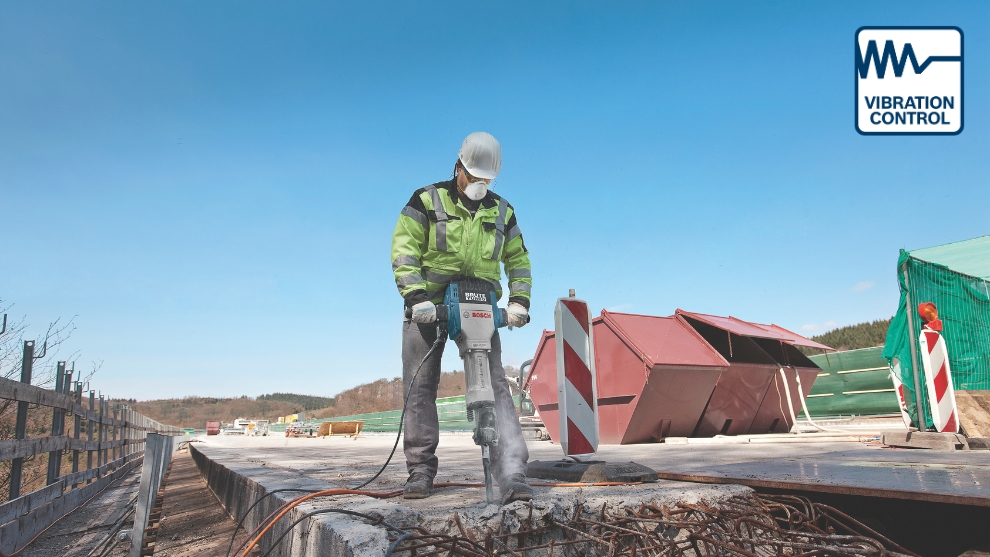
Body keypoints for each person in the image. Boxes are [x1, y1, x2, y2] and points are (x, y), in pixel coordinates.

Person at [391, 132, 534, 503]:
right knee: (420, 386)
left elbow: (518, 260)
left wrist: (519, 302)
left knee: (497, 386)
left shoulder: (502, 211)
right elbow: (404, 251)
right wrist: (417, 298)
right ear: (459, 169)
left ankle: (512, 470)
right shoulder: (425, 200)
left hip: (480, 305)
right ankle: (420, 471)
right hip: (430, 306)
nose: (479, 186)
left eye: (487, 181)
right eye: (474, 179)